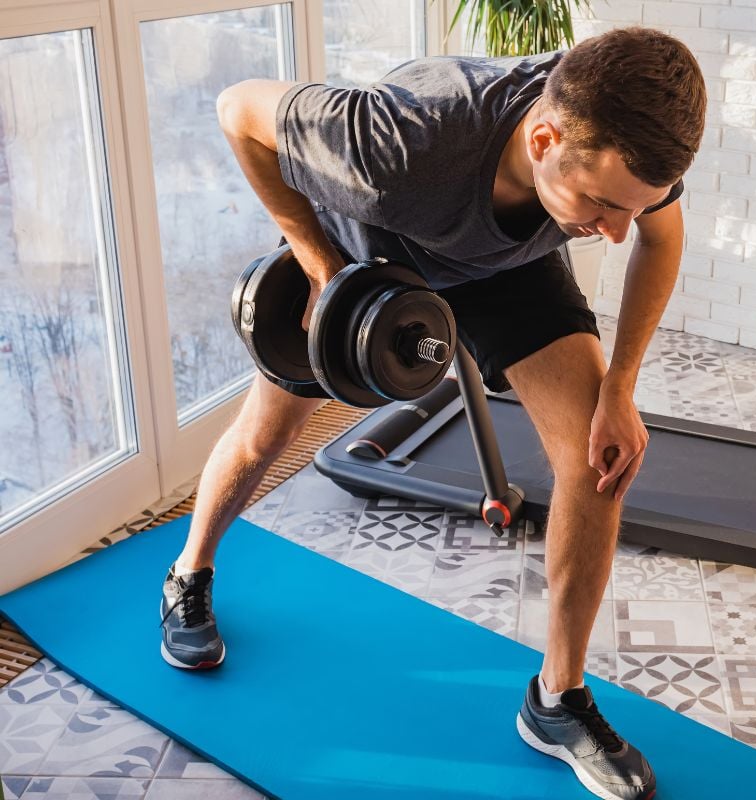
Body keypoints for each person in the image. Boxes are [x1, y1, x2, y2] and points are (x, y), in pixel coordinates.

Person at [158, 26, 705, 800]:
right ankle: (189, 572)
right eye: (603, 205)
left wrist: (619, 389)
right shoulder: (396, 143)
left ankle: (557, 698)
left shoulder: (625, 130)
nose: (615, 231)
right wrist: (319, 267)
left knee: (597, 456)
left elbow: (661, 234)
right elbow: (236, 109)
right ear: (544, 139)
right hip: (373, 251)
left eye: (629, 208)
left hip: (507, 265)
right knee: (264, 436)